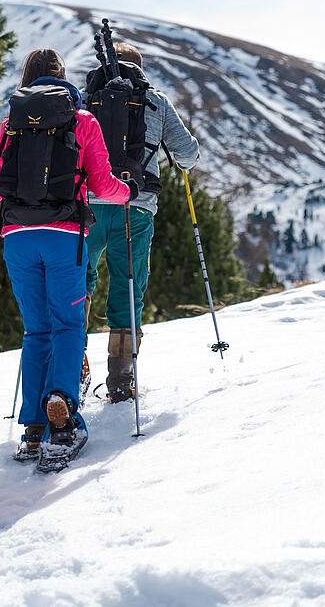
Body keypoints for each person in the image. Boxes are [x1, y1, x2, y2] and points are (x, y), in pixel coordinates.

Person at [0, 48, 132, 466]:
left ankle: (32, 428)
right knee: (68, 326)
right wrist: (128, 192)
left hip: (18, 238)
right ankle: (62, 410)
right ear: (63, 78)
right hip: (66, 236)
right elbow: (103, 184)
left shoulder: (10, 125)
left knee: (36, 330)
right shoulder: (81, 121)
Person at [84, 40, 200, 402]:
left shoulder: (87, 101)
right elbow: (187, 155)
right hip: (135, 205)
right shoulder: (156, 101)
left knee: (76, 284)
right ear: (140, 68)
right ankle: (121, 381)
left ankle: (73, 371)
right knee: (127, 285)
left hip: (88, 205)